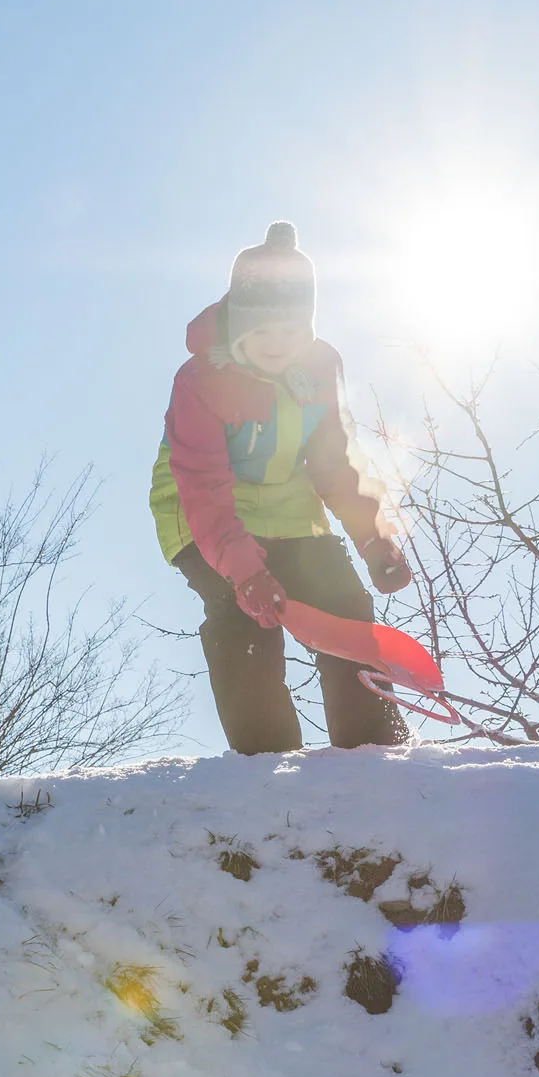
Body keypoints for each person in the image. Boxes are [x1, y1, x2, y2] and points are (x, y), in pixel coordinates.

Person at [150, 221, 413, 755]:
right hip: (200, 511)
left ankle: (373, 751)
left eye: (290, 332)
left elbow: (336, 460)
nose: (277, 346)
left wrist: (372, 538)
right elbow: (203, 484)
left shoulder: (319, 365)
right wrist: (246, 572)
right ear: (237, 325)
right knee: (243, 616)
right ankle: (266, 759)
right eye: (261, 332)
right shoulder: (200, 380)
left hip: (289, 506)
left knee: (342, 604)